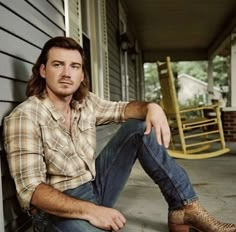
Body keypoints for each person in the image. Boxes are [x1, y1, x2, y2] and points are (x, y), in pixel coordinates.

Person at [3, 36, 236, 232]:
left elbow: (123, 109)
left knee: (137, 129)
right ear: (43, 70)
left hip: (94, 186)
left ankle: (185, 208)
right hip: (54, 209)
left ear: (82, 75)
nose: (67, 73)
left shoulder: (84, 103)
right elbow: (33, 191)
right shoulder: (25, 116)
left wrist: (151, 107)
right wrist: (91, 211)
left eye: (74, 66)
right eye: (57, 65)